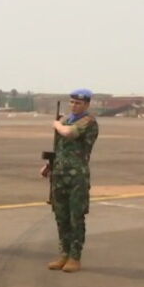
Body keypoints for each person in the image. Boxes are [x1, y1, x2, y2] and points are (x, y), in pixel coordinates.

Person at [41, 88, 99, 273]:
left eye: (78, 103)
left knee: (76, 216)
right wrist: (50, 165)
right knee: (61, 216)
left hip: (77, 176)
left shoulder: (88, 122)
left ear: (86, 105)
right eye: (72, 102)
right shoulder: (65, 120)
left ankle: (75, 256)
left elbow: (69, 133)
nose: (74, 106)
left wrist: (57, 125)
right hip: (59, 174)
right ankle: (64, 253)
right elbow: (59, 147)